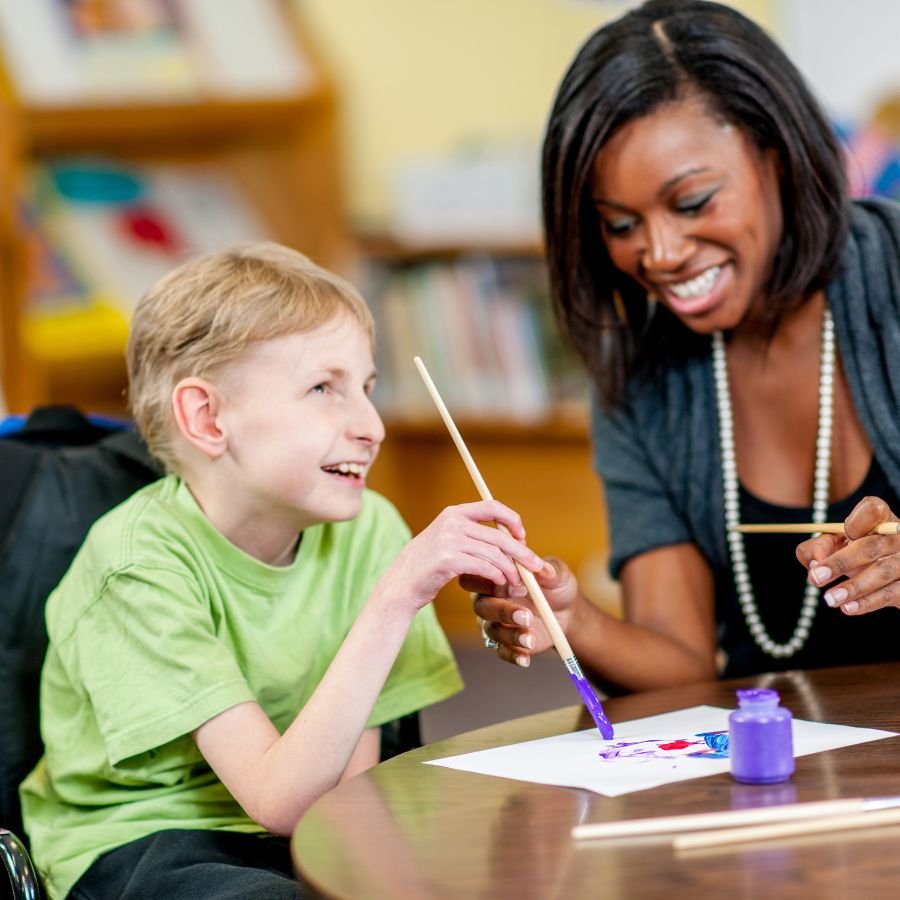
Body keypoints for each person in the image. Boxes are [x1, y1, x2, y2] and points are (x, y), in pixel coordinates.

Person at [19, 243, 547, 900]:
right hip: (146, 838)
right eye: (325, 388)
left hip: (303, 822)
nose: (372, 426)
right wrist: (398, 597)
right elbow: (280, 803)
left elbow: (344, 803)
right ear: (207, 418)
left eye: (368, 387)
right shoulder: (136, 566)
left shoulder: (371, 530)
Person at [470, 0, 900, 693]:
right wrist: (571, 618)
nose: (660, 254)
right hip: (786, 782)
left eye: (693, 202)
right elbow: (680, 661)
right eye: (619, 223)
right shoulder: (643, 375)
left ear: (777, 159)